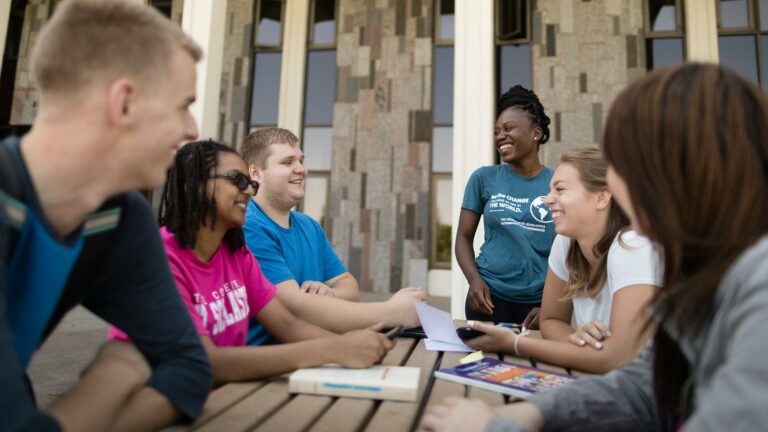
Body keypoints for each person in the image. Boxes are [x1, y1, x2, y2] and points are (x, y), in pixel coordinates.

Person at [422, 63, 768, 431]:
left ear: (681, 167)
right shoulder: (697, 276)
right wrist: (519, 416)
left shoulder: (756, 283)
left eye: (622, 160)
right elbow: (644, 387)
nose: (615, 177)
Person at [0, 1, 212, 431]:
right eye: (183, 105)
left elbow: (189, 366)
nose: (192, 130)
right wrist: (116, 372)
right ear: (125, 103)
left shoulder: (117, 217)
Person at [110, 140, 393, 382]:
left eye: (251, 183)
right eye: (237, 180)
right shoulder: (159, 258)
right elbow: (205, 361)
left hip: (226, 396)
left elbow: (285, 324)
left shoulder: (236, 251)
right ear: (193, 186)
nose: (249, 191)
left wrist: (346, 343)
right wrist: (333, 350)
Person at [462, 147, 660, 373]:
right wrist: (578, 340)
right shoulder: (566, 243)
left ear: (601, 197)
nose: (547, 199)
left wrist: (514, 343)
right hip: (611, 382)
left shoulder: (633, 247)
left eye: (560, 189)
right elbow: (551, 320)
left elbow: (616, 358)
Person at [240, 127, 426, 345]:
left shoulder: (309, 226)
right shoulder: (249, 226)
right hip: (269, 367)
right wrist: (392, 312)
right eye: (287, 162)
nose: (301, 169)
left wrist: (329, 294)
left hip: (315, 353)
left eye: (301, 160)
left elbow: (349, 286)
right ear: (255, 173)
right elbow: (293, 308)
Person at [457, 85, 557, 327]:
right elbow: (463, 237)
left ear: (535, 133)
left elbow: (574, 253)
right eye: (496, 131)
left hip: (538, 304)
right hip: (488, 299)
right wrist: (474, 280)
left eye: (508, 128)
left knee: (535, 365)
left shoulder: (557, 183)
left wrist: (553, 306)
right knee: (485, 365)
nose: (500, 136)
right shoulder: (483, 178)